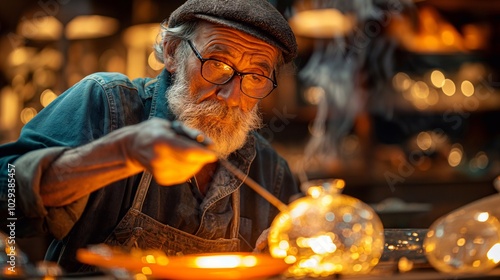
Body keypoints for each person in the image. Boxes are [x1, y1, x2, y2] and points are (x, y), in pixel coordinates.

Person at [0, 0, 299, 273]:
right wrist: (123, 153)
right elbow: (7, 196)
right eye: (217, 64)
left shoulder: (270, 171)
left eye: (256, 77)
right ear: (171, 52)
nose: (232, 95)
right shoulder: (108, 103)